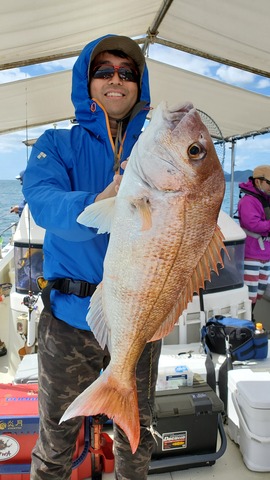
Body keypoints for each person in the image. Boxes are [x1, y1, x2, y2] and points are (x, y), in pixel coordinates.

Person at [23, 34, 162, 480]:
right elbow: (43, 202)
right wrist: (101, 199)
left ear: (139, 84)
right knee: (56, 437)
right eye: (104, 71)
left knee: (135, 438)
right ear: (87, 82)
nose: (116, 80)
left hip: (140, 321)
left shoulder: (158, 146)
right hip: (69, 319)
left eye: (127, 72)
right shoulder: (56, 144)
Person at [238, 165, 270, 319]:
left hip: (266, 255)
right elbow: (253, 225)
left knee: (260, 291)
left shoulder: (266, 199)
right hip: (251, 254)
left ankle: (251, 318)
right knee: (250, 294)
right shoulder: (248, 201)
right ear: (258, 181)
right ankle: (247, 321)